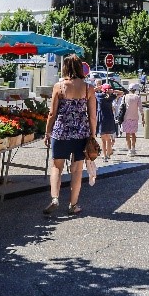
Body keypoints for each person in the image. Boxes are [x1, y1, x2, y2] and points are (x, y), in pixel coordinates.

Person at [43, 54, 96, 216]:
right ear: (80, 68)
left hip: (61, 131)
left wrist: (47, 132)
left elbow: (52, 113)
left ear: (64, 67)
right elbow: (92, 115)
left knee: (56, 166)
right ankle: (73, 205)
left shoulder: (59, 87)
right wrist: (92, 135)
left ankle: (54, 198)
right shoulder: (88, 88)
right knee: (77, 170)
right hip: (81, 133)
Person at [95, 82, 120, 161]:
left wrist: (98, 88)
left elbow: (91, 91)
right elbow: (122, 93)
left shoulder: (99, 96)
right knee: (108, 138)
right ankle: (109, 154)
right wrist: (112, 91)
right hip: (109, 118)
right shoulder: (111, 97)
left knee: (103, 139)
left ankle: (104, 155)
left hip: (102, 118)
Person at [119, 84, 142, 157]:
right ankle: (133, 148)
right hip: (134, 117)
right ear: (135, 90)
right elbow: (141, 108)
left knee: (127, 134)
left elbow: (121, 107)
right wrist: (143, 117)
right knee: (133, 134)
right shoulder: (137, 97)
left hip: (126, 117)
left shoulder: (125, 97)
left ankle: (129, 150)